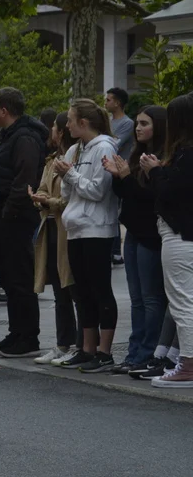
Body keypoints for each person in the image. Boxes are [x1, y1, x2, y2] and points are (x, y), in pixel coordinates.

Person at [0, 88, 48, 358]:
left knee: (20, 278)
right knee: (9, 277)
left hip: (15, 219)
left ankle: (28, 337)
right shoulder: (7, 136)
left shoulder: (24, 138)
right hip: (2, 218)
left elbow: (24, 179)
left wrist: (8, 213)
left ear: (4, 110)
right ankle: (16, 332)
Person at [55, 98, 120, 372]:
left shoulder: (104, 147)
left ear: (83, 123)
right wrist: (65, 175)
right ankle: (87, 348)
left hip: (97, 228)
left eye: (70, 121)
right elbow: (67, 193)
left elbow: (97, 191)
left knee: (99, 289)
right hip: (75, 227)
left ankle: (104, 352)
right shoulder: (75, 149)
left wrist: (70, 175)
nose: (67, 126)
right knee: (81, 291)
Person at [104, 105, 167, 373]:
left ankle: (148, 353)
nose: (138, 128)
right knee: (137, 298)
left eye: (144, 123)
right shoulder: (136, 154)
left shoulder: (163, 158)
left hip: (151, 234)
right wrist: (118, 176)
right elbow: (127, 194)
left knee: (151, 298)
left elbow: (151, 198)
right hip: (132, 231)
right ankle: (134, 353)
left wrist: (127, 177)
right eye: (137, 123)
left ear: (159, 126)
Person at [141, 93, 193, 387]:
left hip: (180, 235)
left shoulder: (186, 154)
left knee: (182, 302)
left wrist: (155, 171)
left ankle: (188, 365)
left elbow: (172, 193)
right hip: (184, 234)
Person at [29, 113, 80, 367]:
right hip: (49, 226)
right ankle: (63, 343)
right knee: (59, 290)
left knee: (72, 287)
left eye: (55, 127)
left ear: (61, 132)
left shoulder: (73, 159)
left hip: (66, 229)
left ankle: (81, 344)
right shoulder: (52, 160)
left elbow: (68, 199)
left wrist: (47, 201)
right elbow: (42, 188)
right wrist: (40, 198)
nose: (52, 130)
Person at [106, 87, 135, 265]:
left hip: (119, 170)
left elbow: (114, 144)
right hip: (107, 168)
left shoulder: (127, 123)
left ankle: (116, 251)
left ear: (117, 103)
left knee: (114, 209)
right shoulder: (108, 122)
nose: (105, 103)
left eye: (109, 99)